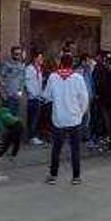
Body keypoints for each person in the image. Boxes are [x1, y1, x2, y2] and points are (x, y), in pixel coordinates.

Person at [42, 53, 90, 185]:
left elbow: (46, 96)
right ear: (72, 64)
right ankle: (76, 176)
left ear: (61, 63)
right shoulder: (78, 78)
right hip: (74, 118)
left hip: (59, 118)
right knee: (75, 148)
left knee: (56, 149)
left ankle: (53, 175)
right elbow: (84, 98)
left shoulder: (53, 77)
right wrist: (80, 113)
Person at [25, 50, 45, 146]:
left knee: (36, 118)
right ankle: (32, 137)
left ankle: (34, 135)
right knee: (33, 118)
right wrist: (33, 94)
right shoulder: (29, 69)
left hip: (38, 97)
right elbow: (28, 83)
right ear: (35, 58)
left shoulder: (39, 69)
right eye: (40, 58)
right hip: (33, 98)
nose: (42, 60)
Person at [0, 46, 25, 115]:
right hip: (8, 95)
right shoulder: (7, 65)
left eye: (19, 54)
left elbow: (22, 81)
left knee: (15, 117)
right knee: (8, 118)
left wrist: (20, 92)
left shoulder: (21, 66)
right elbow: (1, 78)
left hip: (16, 96)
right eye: (16, 54)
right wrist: (4, 94)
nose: (18, 56)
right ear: (12, 54)